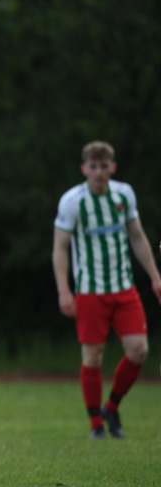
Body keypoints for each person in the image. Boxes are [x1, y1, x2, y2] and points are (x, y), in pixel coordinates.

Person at [52, 140, 161, 440]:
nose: (98, 172)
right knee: (93, 356)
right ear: (83, 169)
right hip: (89, 290)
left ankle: (111, 407)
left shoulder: (124, 194)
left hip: (123, 287)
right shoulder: (73, 201)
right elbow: (60, 248)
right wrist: (64, 290)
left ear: (112, 168)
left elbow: (137, 236)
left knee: (139, 350)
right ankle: (95, 425)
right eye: (93, 166)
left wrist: (155, 275)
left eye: (104, 166)